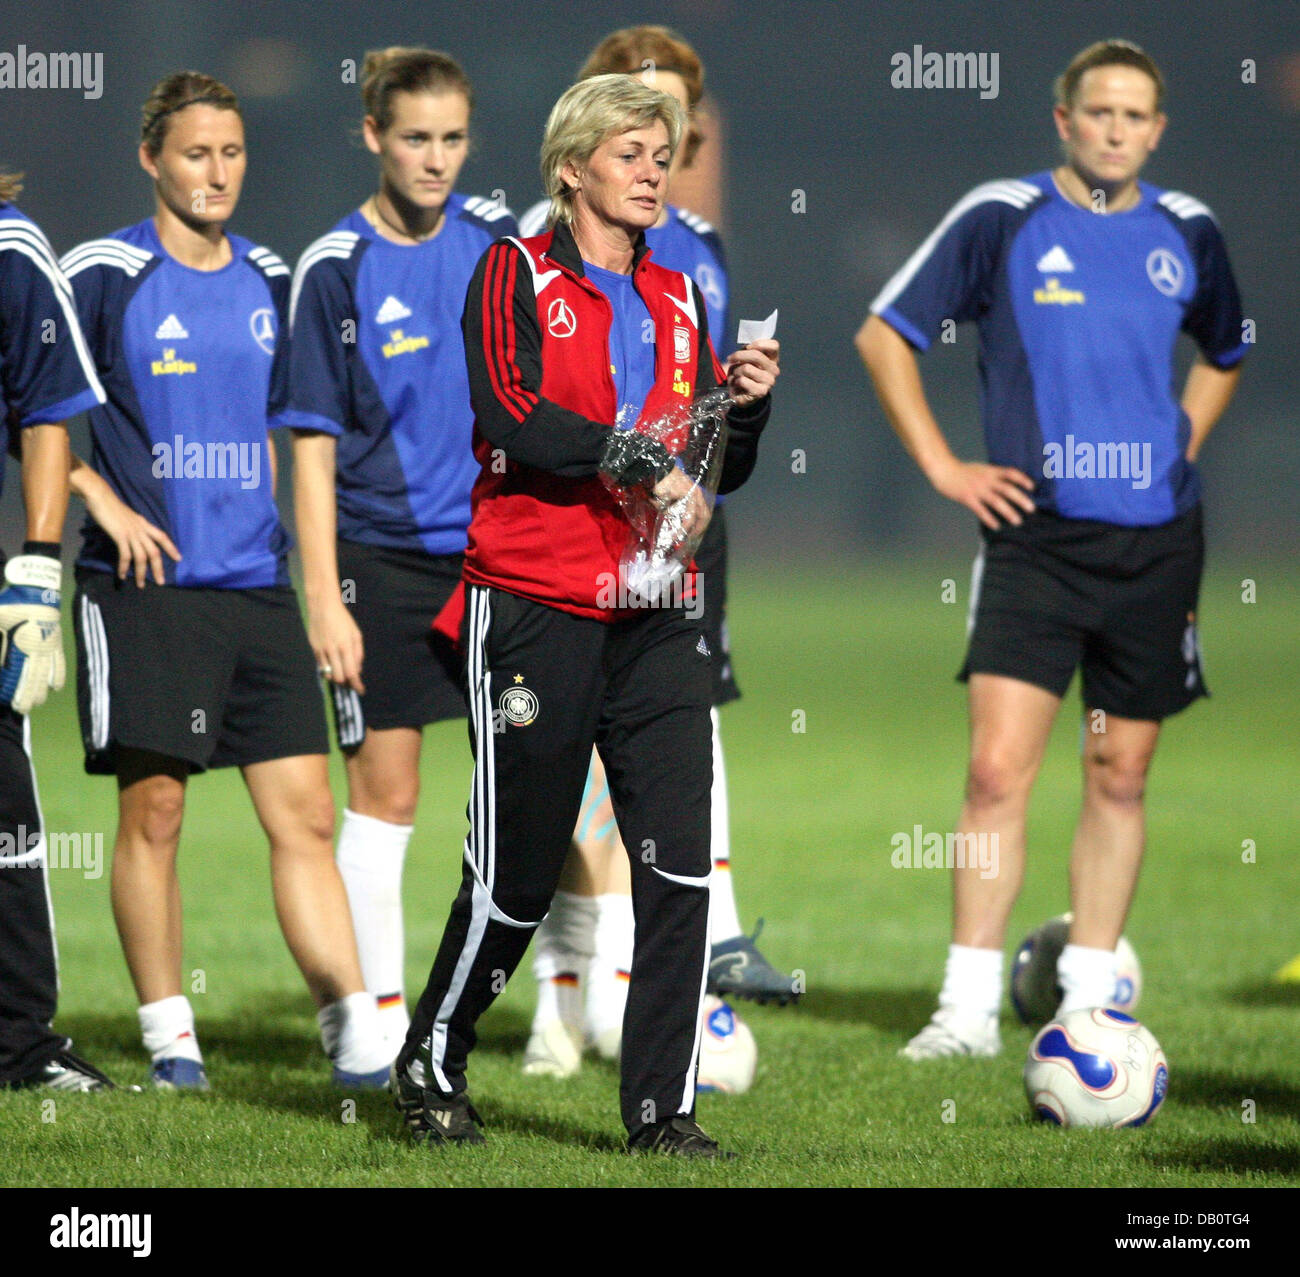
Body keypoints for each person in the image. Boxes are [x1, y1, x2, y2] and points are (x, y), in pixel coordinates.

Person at [393, 74, 779, 1155]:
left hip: (657, 615)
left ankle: (663, 1112)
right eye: (631, 153)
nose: (655, 169)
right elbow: (507, 409)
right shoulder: (510, 269)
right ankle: (432, 1051)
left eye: (664, 154)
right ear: (572, 168)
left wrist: (743, 409)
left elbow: (713, 465)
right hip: (530, 606)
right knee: (516, 872)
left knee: (677, 867)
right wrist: (636, 457)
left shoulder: (678, 296)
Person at [856, 40, 1246, 1059]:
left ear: (1155, 131)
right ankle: (965, 1010)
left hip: (1158, 547)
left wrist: (1180, 444)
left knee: (1119, 770)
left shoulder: (1187, 230)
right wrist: (946, 466)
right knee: (994, 771)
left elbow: (1226, 350)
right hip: (1035, 540)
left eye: (1135, 117)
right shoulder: (1002, 215)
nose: (1115, 130)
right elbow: (885, 333)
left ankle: (1087, 1002)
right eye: (1098, 113)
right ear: (1062, 119)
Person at [62, 71, 390, 1089]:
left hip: (258, 590)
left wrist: (323, 592)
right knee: (154, 812)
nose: (216, 172)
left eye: (233, 153)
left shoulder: (274, 278)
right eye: (197, 152)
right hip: (143, 588)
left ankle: (353, 1031)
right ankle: (170, 1038)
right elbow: (22, 400)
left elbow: (310, 439)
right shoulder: (99, 273)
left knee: (307, 817)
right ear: (151, 157)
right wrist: (94, 495)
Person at [516, 24, 797, 1081]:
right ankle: (553, 994)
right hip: (564, 547)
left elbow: (702, 405)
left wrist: (731, 443)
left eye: (672, 130)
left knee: (666, 755)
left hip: (677, 541)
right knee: (553, 779)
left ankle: (657, 1006)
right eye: (636, 129)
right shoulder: (527, 252)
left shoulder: (697, 255)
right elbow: (521, 410)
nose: (656, 152)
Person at [287, 47, 516, 1058]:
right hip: (374, 563)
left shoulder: (498, 247)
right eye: (416, 138)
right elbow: (310, 446)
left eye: (453, 138)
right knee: (388, 796)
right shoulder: (331, 268)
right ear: (374, 136)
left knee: (538, 780)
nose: (436, 159)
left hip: (497, 560)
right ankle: (374, 1029)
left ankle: (571, 1009)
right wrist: (321, 598)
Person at [0, 173, 114, 1092]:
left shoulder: (10, 244)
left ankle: (19, 1047)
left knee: (3, 811)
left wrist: (38, 576)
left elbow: (46, 414)